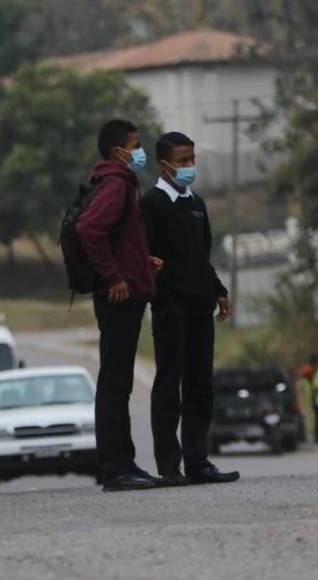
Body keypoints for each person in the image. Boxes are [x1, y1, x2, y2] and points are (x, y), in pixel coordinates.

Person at [140, 132, 240, 486]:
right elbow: (146, 258)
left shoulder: (196, 204)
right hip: (170, 308)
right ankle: (170, 465)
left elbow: (202, 255)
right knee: (170, 385)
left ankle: (199, 461)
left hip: (200, 307)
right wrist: (163, 297)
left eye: (192, 159)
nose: (189, 167)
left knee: (200, 385)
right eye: (183, 161)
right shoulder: (151, 203)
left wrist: (218, 290)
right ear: (164, 164)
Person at [77, 119, 162, 492]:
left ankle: (124, 462)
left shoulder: (118, 182)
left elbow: (118, 238)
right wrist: (114, 277)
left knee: (120, 381)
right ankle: (115, 468)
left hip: (126, 290)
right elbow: (89, 230)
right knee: (114, 383)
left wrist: (142, 263)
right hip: (118, 298)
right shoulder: (115, 184)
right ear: (119, 151)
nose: (141, 151)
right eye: (137, 144)